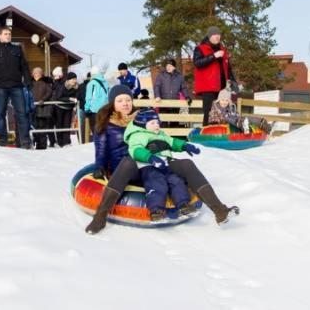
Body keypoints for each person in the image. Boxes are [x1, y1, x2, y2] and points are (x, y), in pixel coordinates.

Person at [85, 85, 239, 234]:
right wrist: (98, 167)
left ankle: (219, 210)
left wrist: (174, 147)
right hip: (126, 170)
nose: (125, 103)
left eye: (128, 100)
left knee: (186, 163)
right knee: (129, 160)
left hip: (152, 164)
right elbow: (100, 151)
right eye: (120, 100)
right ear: (112, 103)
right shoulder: (105, 124)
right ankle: (101, 216)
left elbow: (162, 138)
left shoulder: (142, 119)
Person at [123, 109, 198, 220]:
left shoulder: (161, 134)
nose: (156, 125)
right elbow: (135, 150)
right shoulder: (138, 135)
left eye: (157, 122)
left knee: (176, 181)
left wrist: (185, 146)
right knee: (156, 184)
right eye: (152, 123)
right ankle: (156, 210)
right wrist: (150, 158)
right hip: (149, 167)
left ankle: (183, 205)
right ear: (143, 124)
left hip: (166, 165)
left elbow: (172, 142)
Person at [0, 26, 32, 148]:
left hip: (17, 86)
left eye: (9, 34)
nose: (8, 36)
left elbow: (24, 67)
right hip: (1, 87)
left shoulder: (17, 49)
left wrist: (28, 80)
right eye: (5, 34)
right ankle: (3, 140)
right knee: (0, 114)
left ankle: (25, 142)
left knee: (22, 114)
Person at [193, 26, 237, 126]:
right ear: (209, 36)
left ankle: (219, 134)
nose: (217, 37)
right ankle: (206, 135)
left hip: (221, 88)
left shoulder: (222, 49)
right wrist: (214, 56)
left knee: (222, 111)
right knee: (208, 112)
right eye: (214, 35)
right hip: (208, 87)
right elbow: (197, 63)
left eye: (218, 35)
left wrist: (233, 82)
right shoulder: (200, 48)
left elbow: (228, 68)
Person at [53, 71, 79, 147]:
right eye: (73, 79)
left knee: (67, 125)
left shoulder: (76, 87)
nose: (74, 80)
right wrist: (69, 99)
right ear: (68, 80)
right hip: (59, 108)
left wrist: (75, 99)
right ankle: (60, 142)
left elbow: (77, 97)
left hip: (69, 108)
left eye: (75, 79)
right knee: (59, 124)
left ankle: (66, 142)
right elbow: (59, 97)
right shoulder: (63, 86)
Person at [31, 67, 54, 150]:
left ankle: (42, 145)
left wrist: (43, 99)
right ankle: (36, 143)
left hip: (42, 109)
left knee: (42, 128)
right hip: (33, 109)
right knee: (34, 127)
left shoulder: (45, 82)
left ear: (41, 74)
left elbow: (49, 92)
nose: (36, 74)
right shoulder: (30, 83)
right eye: (34, 73)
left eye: (38, 73)